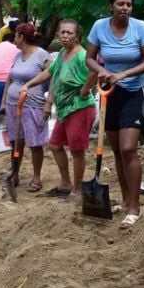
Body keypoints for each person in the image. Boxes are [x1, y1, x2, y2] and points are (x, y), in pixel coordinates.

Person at [85, 0, 144, 229]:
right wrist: (103, 71)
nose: (125, 8)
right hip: (109, 94)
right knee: (116, 150)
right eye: (120, 4)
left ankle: (135, 207)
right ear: (111, 6)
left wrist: (124, 73)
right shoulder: (99, 27)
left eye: (128, 4)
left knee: (128, 149)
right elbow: (89, 58)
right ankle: (126, 202)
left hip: (133, 93)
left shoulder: (141, 28)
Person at [23, 18, 96, 197]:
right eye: (62, 32)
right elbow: (50, 73)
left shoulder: (81, 55)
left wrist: (86, 89)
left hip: (80, 108)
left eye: (69, 33)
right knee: (55, 145)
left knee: (76, 150)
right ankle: (65, 182)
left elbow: (96, 72)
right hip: (64, 109)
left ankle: (77, 190)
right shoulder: (63, 53)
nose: (64, 36)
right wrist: (29, 84)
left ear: (77, 36)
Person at [3, 23, 51, 193]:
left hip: (33, 104)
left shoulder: (41, 55)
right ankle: (14, 173)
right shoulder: (18, 55)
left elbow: (52, 78)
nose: (14, 40)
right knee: (16, 141)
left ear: (21, 37)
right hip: (12, 104)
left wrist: (48, 102)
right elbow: (10, 78)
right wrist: (3, 101)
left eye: (15, 36)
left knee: (35, 142)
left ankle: (36, 177)